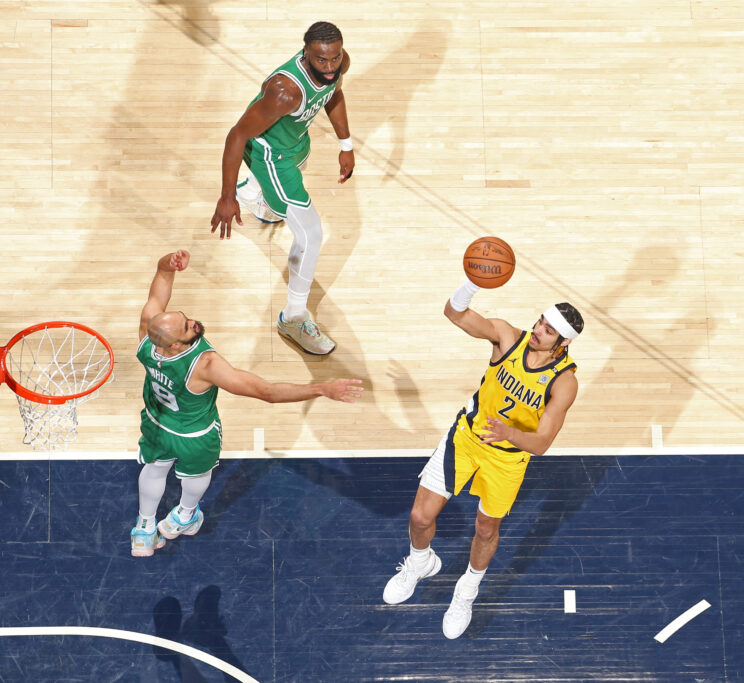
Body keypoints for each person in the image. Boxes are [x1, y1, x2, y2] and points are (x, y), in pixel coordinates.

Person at [382, 279, 583, 639]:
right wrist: (472, 283)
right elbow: (454, 313)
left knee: (486, 528)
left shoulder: (564, 382)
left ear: (563, 343)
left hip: (507, 458)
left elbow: (541, 444)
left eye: (548, 330)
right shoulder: (508, 337)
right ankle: (420, 562)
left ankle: (467, 591)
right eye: (540, 321)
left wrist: (509, 434)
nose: (537, 330)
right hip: (467, 438)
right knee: (420, 516)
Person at [131, 250, 364, 558]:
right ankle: (184, 517)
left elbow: (157, 293)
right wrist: (321, 388)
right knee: (197, 476)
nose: (194, 323)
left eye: (186, 318)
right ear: (175, 345)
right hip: (194, 436)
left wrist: (167, 265)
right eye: (187, 327)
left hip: (157, 423)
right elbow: (266, 392)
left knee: (155, 468)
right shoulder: (206, 365)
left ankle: (144, 530)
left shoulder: (147, 338)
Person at [210, 20, 354, 356]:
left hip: (294, 142)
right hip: (271, 156)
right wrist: (225, 197)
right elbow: (237, 135)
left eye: (334, 58)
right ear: (305, 54)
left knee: (279, 205)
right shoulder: (284, 92)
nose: (330, 67)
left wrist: (345, 145)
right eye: (321, 60)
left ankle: (256, 197)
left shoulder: (338, 64)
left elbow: (333, 94)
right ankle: (293, 318)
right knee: (311, 235)